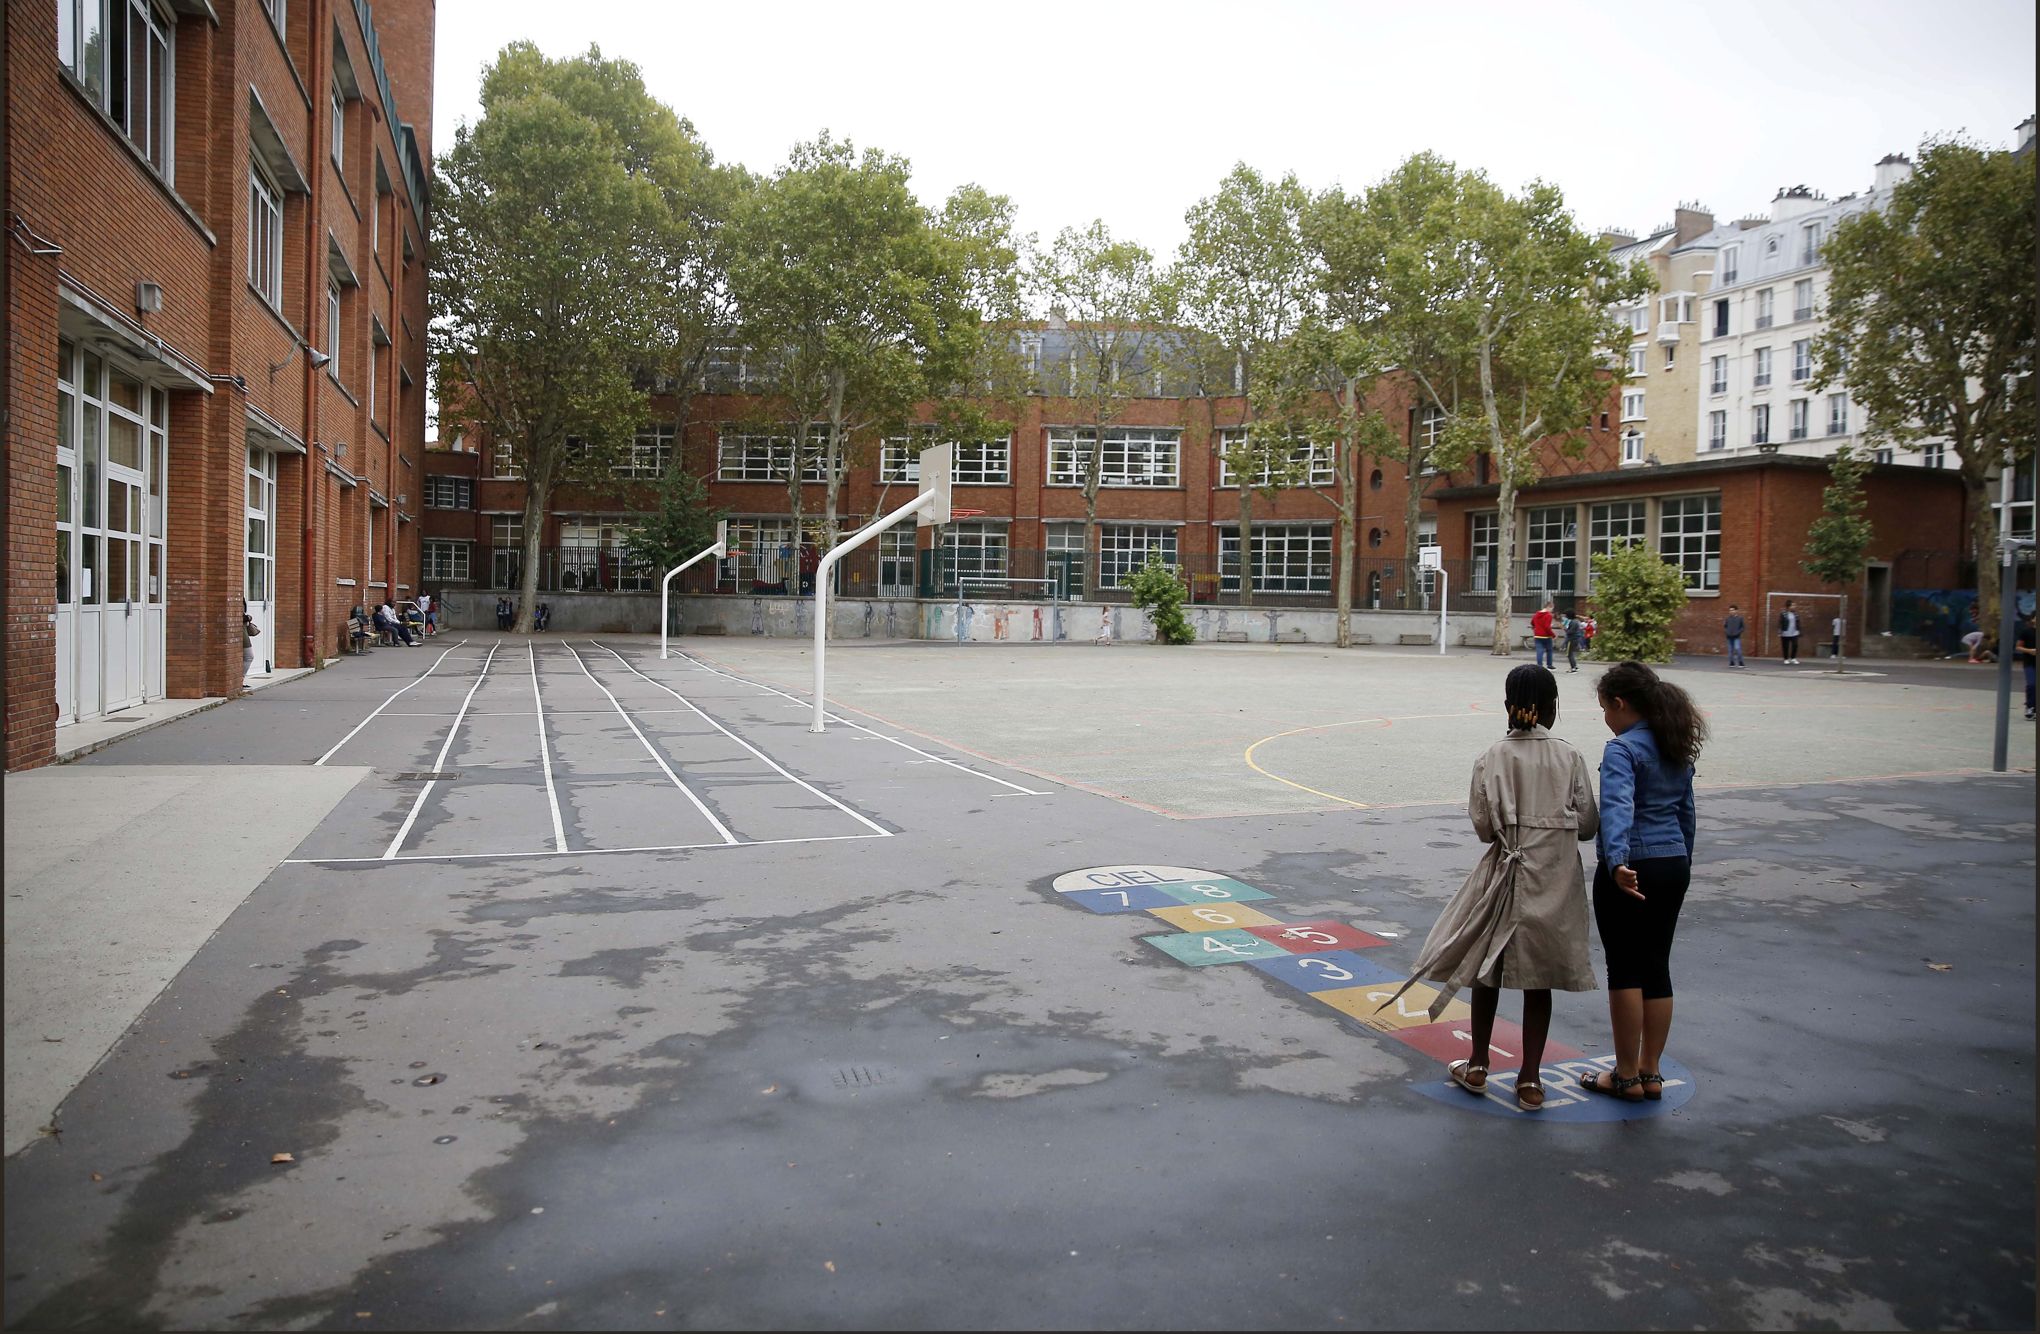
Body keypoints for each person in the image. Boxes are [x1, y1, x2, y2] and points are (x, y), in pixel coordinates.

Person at [1376, 664, 1598, 1113]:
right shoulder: (1569, 756)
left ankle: (1478, 1063)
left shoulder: (1491, 757)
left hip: (1503, 876)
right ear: (1554, 705)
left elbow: (1482, 828)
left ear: (1507, 706)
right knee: (1542, 979)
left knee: (1486, 967)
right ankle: (1530, 1079)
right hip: (1553, 879)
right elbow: (1589, 824)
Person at [1578, 660, 1706, 1103]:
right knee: (1657, 967)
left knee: (1625, 969)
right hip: (1672, 863)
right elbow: (1686, 813)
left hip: (1632, 865)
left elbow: (1617, 809)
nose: (1606, 720)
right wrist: (1682, 861)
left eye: (1605, 709)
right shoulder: (1674, 743)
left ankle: (1626, 1074)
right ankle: (1652, 1070)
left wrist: (1616, 862)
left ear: (1620, 703)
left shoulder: (1622, 750)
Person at [2016, 608, 2036, 721]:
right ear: (2033, 619)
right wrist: (2030, 651)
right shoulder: (2026, 631)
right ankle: (2029, 707)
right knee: (2032, 685)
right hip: (2029, 663)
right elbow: (2018, 647)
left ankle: (2034, 708)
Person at [1530, 600, 1556, 669]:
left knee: (1539, 651)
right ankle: (1549, 665)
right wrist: (1553, 635)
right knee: (1549, 650)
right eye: (1552, 609)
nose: (1551, 611)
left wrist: (1536, 627)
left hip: (1537, 635)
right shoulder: (1548, 615)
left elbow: (1532, 622)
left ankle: (1539, 665)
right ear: (1549, 607)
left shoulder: (1536, 614)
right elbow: (1547, 627)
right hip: (1546, 636)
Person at [1778, 599, 1802, 665]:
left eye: (1794, 605)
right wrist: (1780, 631)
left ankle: (1793, 658)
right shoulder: (1783, 614)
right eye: (1793, 605)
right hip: (1785, 632)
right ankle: (1786, 659)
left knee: (1795, 645)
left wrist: (1799, 630)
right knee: (1785, 646)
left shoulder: (1795, 614)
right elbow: (1780, 622)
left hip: (1794, 632)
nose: (1794, 606)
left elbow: (1798, 622)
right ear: (1788, 606)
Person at [1722, 604, 1746, 669]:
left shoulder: (1740, 618)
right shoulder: (1727, 619)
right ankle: (1732, 662)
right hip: (1729, 637)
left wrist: (1738, 632)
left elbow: (1743, 627)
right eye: (1730, 610)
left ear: (1736, 611)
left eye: (1732, 610)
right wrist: (1727, 632)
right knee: (1730, 651)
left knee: (1738, 649)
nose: (1731, 611)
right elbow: (1725, 626)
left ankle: (1741, 663)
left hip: (1736, 637)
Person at [1563, 609, 1585, 674]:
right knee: (1571, 653)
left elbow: (1570, 632)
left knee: (1569, 654)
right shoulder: (1576, 621)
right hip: (1575, 639)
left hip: (1571, 639)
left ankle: (1573, 668)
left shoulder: (1573, 622)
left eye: (1566, 615)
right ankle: (1574, 666)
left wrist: (1565, 629)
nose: (1565, 616)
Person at [241, 599, 258, 679]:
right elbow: (241, 617)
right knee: (249, 656)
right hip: (242, 632)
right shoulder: (238, 598)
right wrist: (248, 617)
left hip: (243, 631)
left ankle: (241, 679)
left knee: (246, 657)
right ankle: (241, 678)